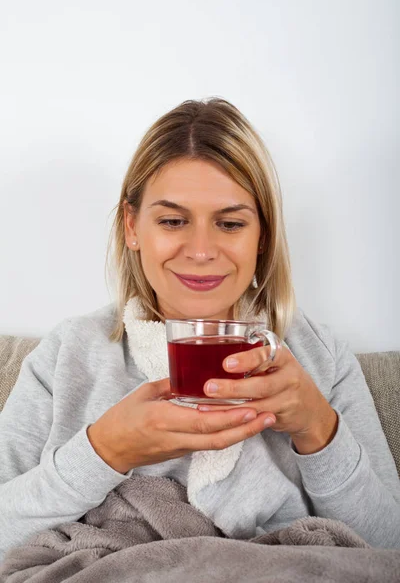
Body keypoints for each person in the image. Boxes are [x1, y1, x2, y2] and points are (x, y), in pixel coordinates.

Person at [1, 98, 399, 563]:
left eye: (230, 224)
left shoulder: (319, 357)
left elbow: (389, 545)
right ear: (132, 226)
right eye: (172, 221)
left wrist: (317, 428)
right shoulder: (67, 355)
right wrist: (105, 449)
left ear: (263, 235)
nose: (202, 250)